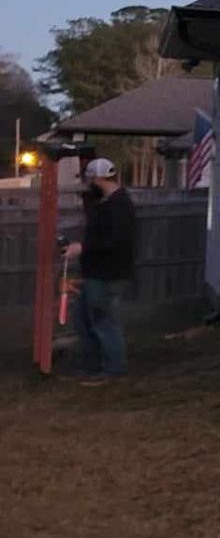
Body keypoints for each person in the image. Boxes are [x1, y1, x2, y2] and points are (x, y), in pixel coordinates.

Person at [65, 157, 137, 386]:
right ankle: (92, 368)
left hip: (108, 274)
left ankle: (114, 369)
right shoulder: (105, 202)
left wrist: (83, 247)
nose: (88, 183)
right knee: (85, 321)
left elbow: (116, 241)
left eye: (90, 179)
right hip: (95, 272)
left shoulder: (120, 205)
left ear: (99, 178)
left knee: (104, 322)